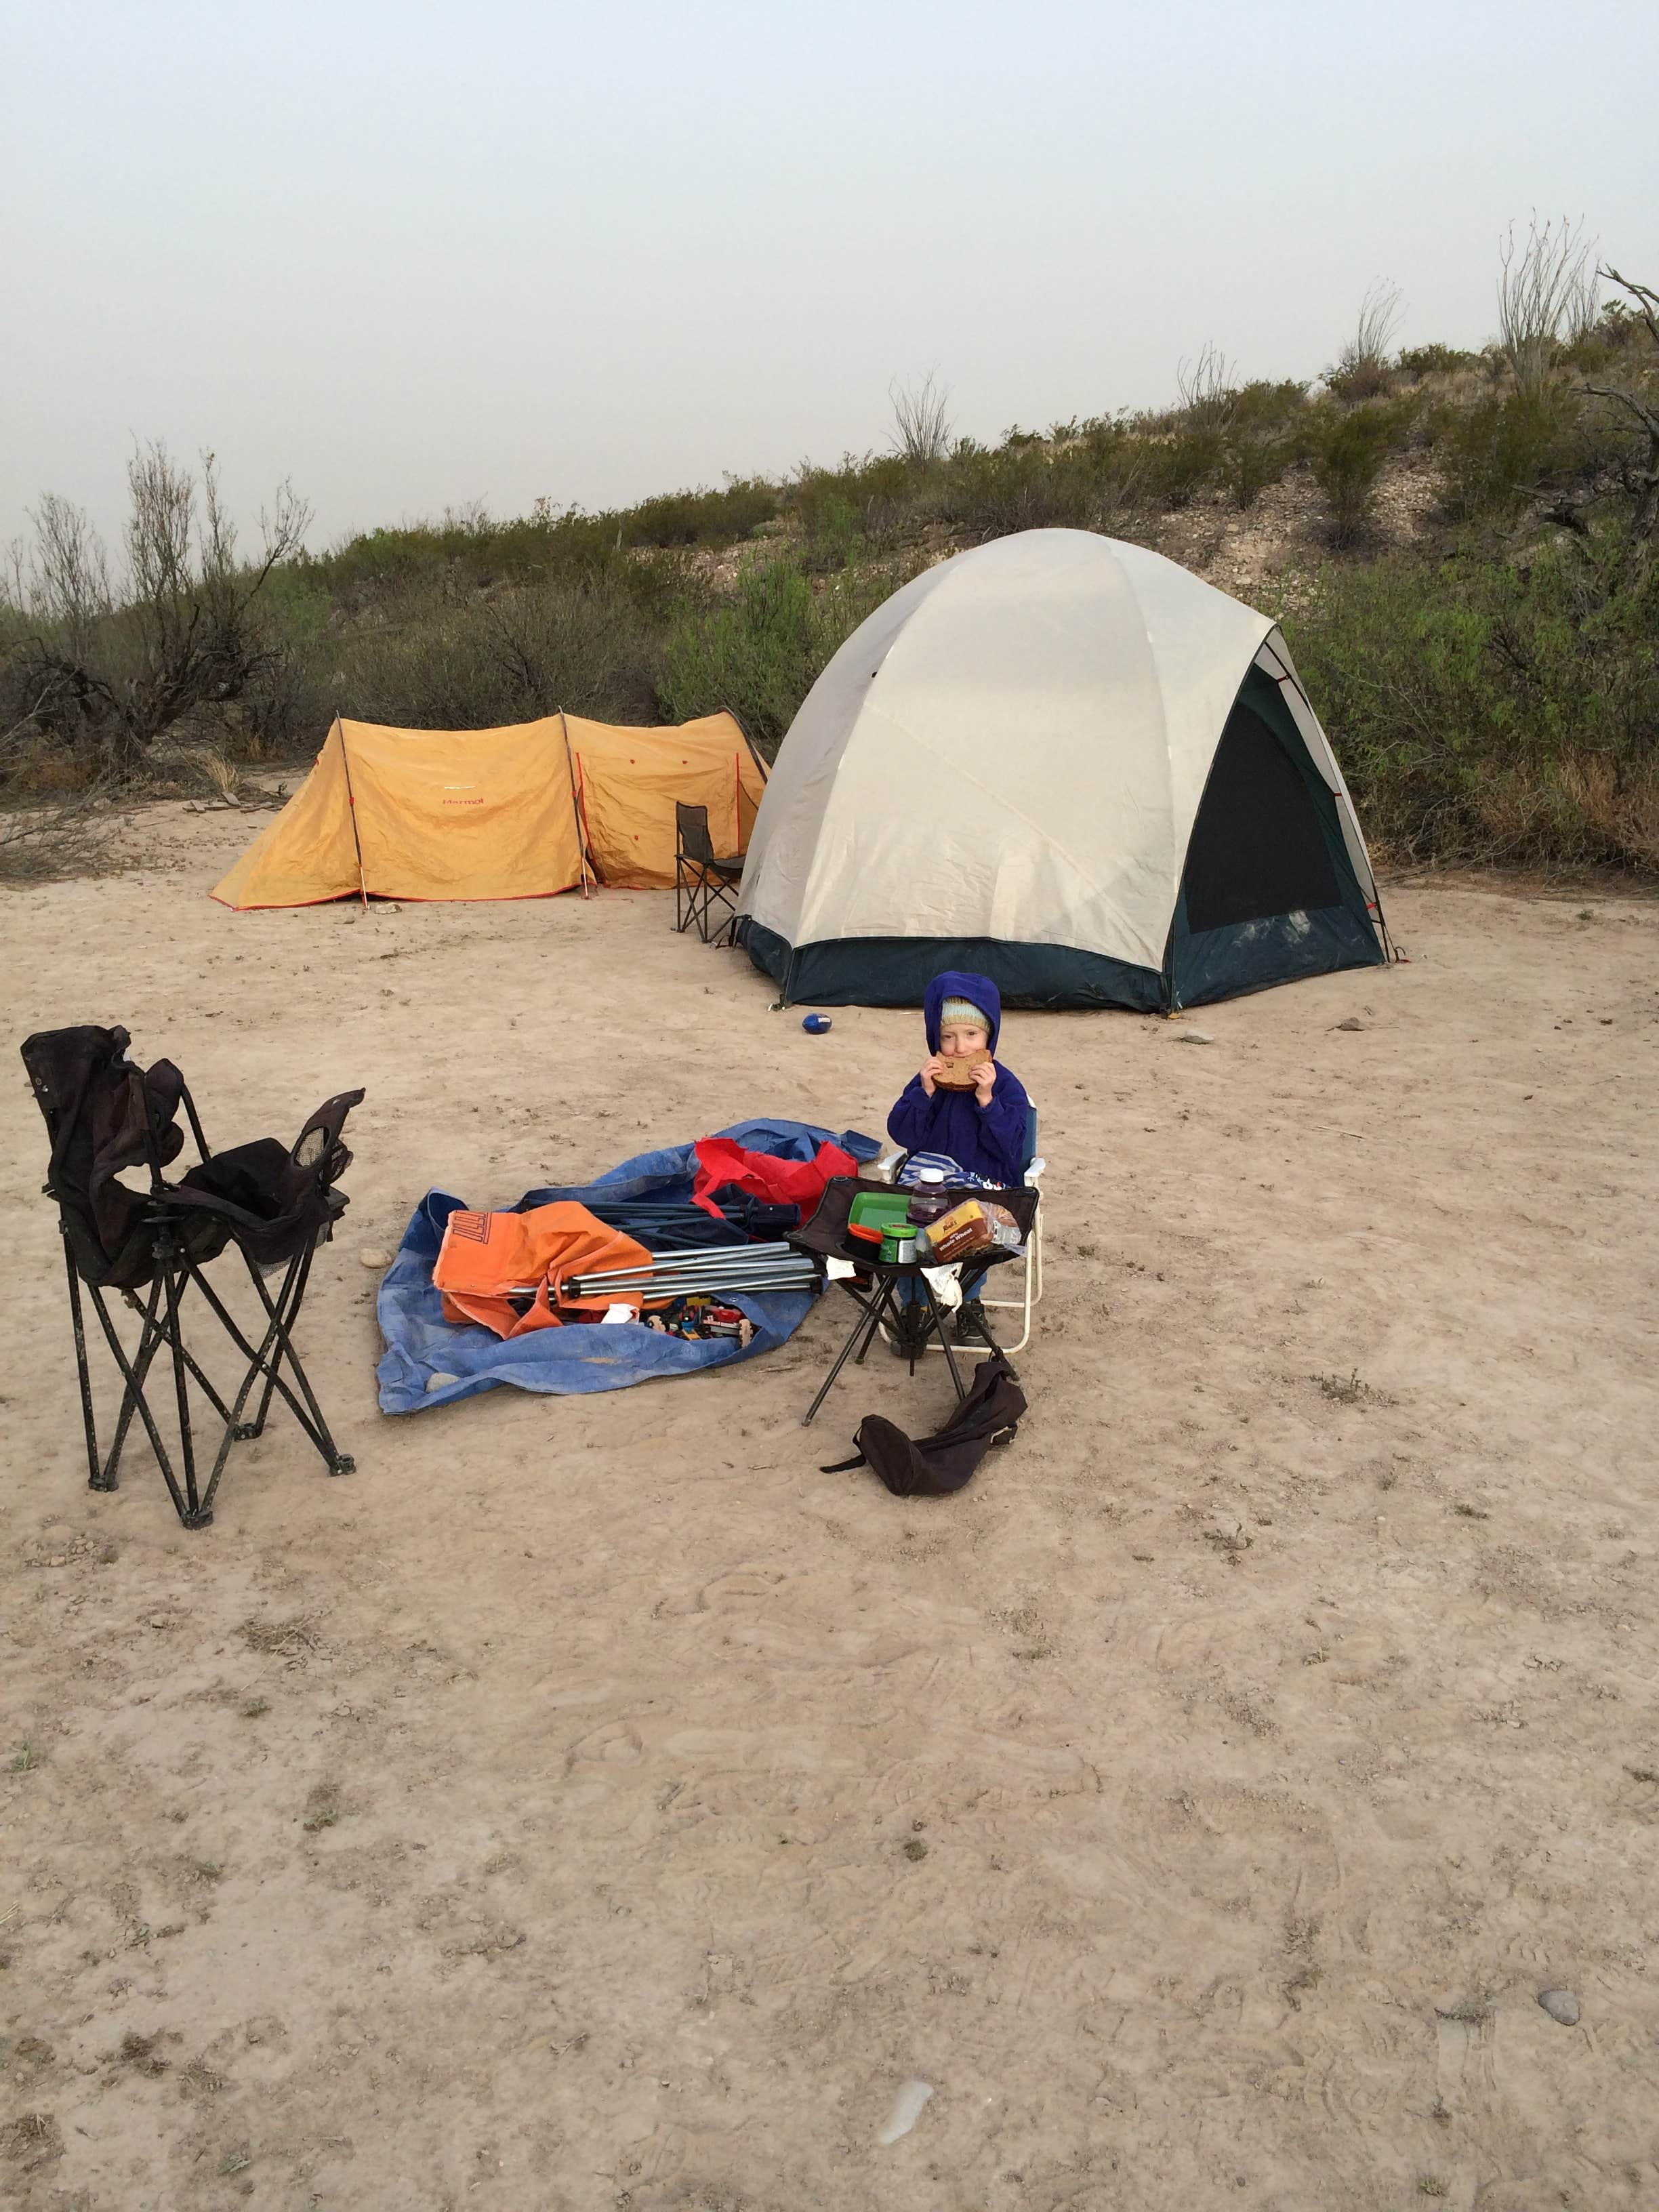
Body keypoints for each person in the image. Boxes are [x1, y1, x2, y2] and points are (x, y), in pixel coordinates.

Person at [885, 971, 1031, 1350]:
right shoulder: (927, 1081)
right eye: (947, 1038)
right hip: (927, 1182)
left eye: (971, 1035)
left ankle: (969, 1299)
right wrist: (925, 1094)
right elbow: (902, 1134)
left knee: (971, 1231)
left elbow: (1012, 1146)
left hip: (981, 1182)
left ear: (989, 1039)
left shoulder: (1004, 1085)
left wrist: (987, 1102)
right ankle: (914, 1304)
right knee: (910, 1227)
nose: (960, 1048)